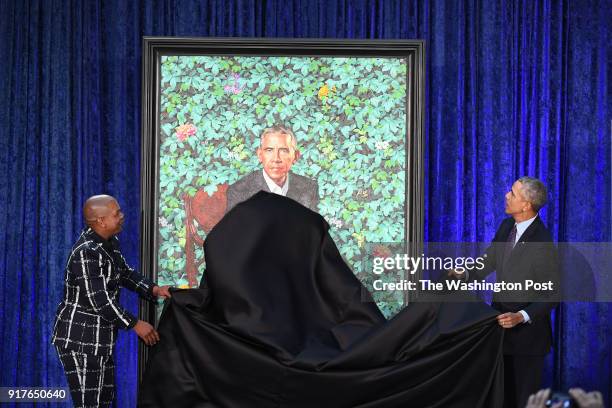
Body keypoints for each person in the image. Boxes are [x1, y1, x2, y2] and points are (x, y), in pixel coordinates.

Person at [139, 191, 506, 407]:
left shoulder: (214, 318)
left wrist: (188, 301)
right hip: (327, 355)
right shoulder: (307, 243)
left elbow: (215, 292)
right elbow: (354, 309)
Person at [51, 195, 171, 408]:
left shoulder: (109, 242)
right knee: (91, 404)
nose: (122, 216)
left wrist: (154, 289)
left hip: (100, 340)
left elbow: (123, 273)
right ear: (101, 221)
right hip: (81, 340)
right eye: (117, 214)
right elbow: (101, 302)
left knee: (104, 401)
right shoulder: (86, 253)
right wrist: (135, 324)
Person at [450, 176, 559, 408]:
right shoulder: (506, 226)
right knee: (501, 397)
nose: (506, 196)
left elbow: (551, 293)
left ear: (526, 205)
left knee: (523, 400)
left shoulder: (543, 242)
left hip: (527, 341)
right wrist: (466, 274)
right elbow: (489, 260)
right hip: (499, 332)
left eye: (512, 193)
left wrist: (521, 316)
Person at [225, 125, 319, 213]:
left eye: (283, 151)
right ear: (260, 155)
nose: (276, 159)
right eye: (269, 150)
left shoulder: (309, 188)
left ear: (295, 156)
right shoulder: (239, 191)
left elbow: (313, 229)